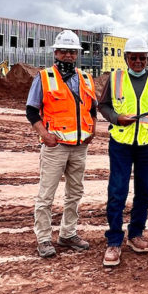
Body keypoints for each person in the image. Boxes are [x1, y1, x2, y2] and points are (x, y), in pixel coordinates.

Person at [98, 36, 148, 267]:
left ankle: (136, 233)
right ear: (126, 58)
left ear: (147, 59)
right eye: (134, 58)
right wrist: (116, 118)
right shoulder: (116, 78)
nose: (138, 61)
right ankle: (113, 241)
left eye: (142, 58)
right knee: (118, 192)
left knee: (145, 192)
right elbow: (103, 105)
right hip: (121, 143)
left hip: (147, 145)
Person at [25, 29, 97, 258]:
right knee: (47, 194)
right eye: (64, 51)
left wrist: (92, 130)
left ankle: (68, 233)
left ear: (77, 54)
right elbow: (31, 110)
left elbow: (92, 109)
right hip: (55, 147)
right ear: (56, 52)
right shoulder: (44, 77)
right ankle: (44, 239)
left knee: (75, 192)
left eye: (72, 52)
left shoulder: (85, 78)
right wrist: (44, 135)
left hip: (79, 146)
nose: (68, 55)